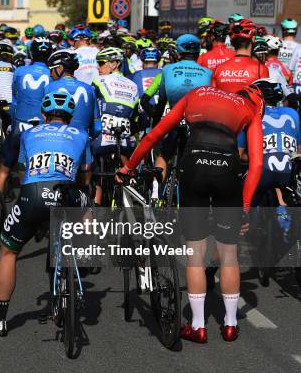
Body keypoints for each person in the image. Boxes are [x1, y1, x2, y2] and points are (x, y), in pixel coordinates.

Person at [119, 83, 267, 343]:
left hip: (195, 166)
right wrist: (243, 208)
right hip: (227, 170)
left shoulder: (197, 93)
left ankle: (198, 326)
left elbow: (154, 136)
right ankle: (230, 325)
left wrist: (129, 167)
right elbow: (256, 165)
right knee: (229, 252)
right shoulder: (250, 109)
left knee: (195, 252)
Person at [0, 91, 92, 336]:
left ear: (43, 114)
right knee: (87, 203)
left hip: (34, 194)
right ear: (70, 117)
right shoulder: (81, 134)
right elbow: (84, 173)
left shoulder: (29, 133)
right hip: (67, 193)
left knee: (8, 252)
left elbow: (21, 173)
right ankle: (83, 255)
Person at [141, 34, 212, 179]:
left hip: (173, 120)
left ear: (178, 52)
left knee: (164, 155)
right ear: (198, 52)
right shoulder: (208, 73)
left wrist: (156, 124)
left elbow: (161, 101)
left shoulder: (167, 70)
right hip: (196, 124)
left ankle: (157, 194)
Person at [0, 37, 54, 200]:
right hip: (43, 129)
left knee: (4, 171)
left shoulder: (19, 71)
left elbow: (12, 98)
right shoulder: (52, 74)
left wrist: (14, 120)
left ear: (31, 53)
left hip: (20, 127)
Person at [239, 79, 300, 209]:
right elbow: (298, 152)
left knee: (241, 208)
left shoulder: (251, 113)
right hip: (288, 173)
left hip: (261, 172)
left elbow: (239, 155)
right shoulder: (293, 113)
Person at [91, 47, 140, 205]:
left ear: (114, 64)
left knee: (92, 166)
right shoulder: (133, 85)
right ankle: (130, 187)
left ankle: (95, 203)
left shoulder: (99, 81)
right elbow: (136, 116)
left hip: (102, 140)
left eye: (101, 63)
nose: (98, 67)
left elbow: (89, 106)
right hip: (126, 141)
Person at [45, 49, 99, 137]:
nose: (50, 74)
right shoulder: (89, 89)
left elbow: (43, 120)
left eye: (51, 70)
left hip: (58, 139)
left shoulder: (50, 87)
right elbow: (97, 127)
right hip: (82, 140)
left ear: (60, 68)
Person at [212, 19, 269, 93]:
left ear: (232, 42)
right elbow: (265, 99)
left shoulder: (218, 69)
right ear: (253, 39)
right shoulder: (260, 69)